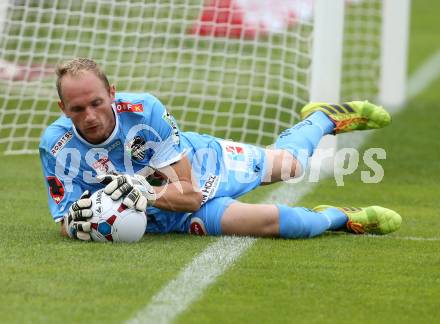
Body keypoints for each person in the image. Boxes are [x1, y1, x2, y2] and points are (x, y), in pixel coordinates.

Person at [39, 58, 401, 242]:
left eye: (97, 103)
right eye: (77, 109)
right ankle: (340, 217)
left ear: (113, 94)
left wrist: (145, 191)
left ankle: (322, 117)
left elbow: (191, 193)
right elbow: (64, 220)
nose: (90, 116)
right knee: (281, 223)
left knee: (291, 166)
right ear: (62, 109)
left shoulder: (146, 111)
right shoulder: (55, 146)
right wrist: (82, 224)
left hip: (201, 169)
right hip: (169, 219)